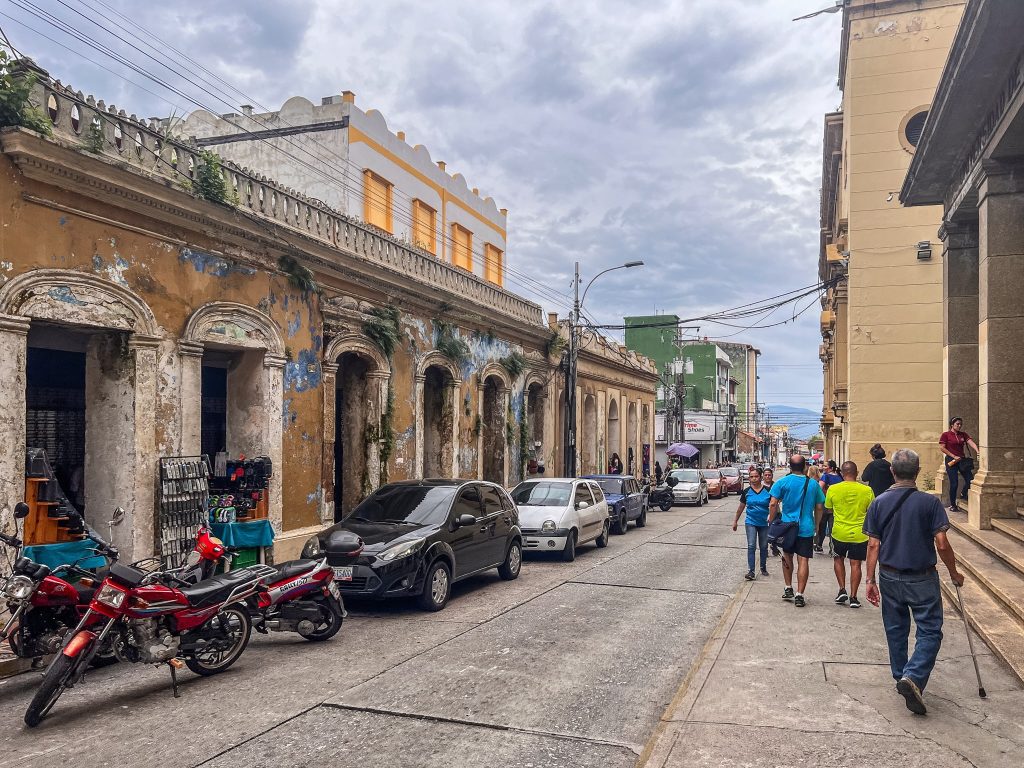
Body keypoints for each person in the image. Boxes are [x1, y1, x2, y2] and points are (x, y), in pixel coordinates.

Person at [865, 449, 964, 716]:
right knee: (930, 630)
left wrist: (869, 579)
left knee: (895, 629)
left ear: (892, 472)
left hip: (888, 575)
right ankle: (913, 676)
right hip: (921, 577)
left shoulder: (879, 502)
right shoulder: (929, 504)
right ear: (918, 472)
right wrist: (954, 573)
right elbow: (941, 543)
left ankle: (902, 675)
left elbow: (873, 544)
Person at [769, 454, 825, 607]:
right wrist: (817, 525)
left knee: (787, 556)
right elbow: (820, 507)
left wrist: (770, 519)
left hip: (787, 527)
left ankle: (788, 588)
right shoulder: (813, 484)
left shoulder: (782, 482)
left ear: (790, 466)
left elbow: (773, 503)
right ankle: (800, 594)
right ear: (805, 466)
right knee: (803, 560)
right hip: (806, 527)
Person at [825, 460, 874, 608]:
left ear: (842, 473)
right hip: (860, 534)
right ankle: (853, 597)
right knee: (856, 564)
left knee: (838, 559)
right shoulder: (867, 490)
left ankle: (842, 590)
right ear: (857, 473)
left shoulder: (833, 489)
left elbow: (828, 509)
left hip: (839, 532)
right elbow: (871, 512)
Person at [732, 467, 771, 580]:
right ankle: (751, 571)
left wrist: (771, 517)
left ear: (761, 477)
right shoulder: (746, 492)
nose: (754, 479)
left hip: (764, 523)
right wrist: (735, 521)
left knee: (763, 546)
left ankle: (763, 567)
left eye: (756, 476)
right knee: (751, 545)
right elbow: (740, 508)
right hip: (751, 522)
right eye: (751, 477)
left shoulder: (768, 491)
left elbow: (774, 506)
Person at [939, 417, 980, 513]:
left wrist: (977, 450)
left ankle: (963, 494)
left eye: (960, 424)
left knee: (970, 479)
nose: (959, 425)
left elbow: (971, 442)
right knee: (954, 483)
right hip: (951, 460)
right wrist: (953, 456)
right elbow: (942, 448)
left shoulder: (963, 434)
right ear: (952, 425)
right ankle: (953, 505)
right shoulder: (946, 435)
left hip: (961, 460)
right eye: (957, 424)